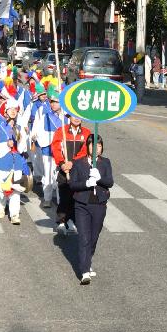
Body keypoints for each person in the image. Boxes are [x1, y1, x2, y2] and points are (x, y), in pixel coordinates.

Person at [69, 134, 113, 285]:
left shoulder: (105, 162)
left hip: (99, 205)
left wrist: (99, 178)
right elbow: (73, 185)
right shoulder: (78, 163)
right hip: (82, 205)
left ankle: (88, 260)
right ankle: (84, 271)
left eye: (99, 146)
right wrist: (86, 183)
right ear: (87, 146)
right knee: (84, 238)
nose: (96, 148)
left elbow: (110, 182)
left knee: (94, 237)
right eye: (93, 145)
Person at [0, 97, 29, 224]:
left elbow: (23, 148)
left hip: (17, 161)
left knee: (16, 189)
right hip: (3, 160)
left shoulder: (19, 128)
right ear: (5, 112)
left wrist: (20, 140)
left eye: (15, 109)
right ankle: (0, 208)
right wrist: (6, 144)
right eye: (10, 109)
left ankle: (14, 214)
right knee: (1, 189)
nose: (13, 111)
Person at [51, 115, 90, 235]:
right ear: (69, 117)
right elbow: (55, 148)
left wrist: (72, 163)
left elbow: (85, 150)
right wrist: (62, 163)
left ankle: (72, 219)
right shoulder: (61, 131)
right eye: (74, 116)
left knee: (76, 196)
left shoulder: (86, 132)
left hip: (78, 169)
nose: (77, 118)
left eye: (79, 116)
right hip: (64, 170)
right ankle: (62, 221)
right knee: (64, 196)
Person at [31, 86, 68, 209]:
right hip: (48, 150)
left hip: (62, 151)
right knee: (47, 173)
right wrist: (49, 139)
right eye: (51, 102)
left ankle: (59, 199)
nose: (53, 104)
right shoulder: (46, 116)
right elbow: (40, 132)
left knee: (59, 176)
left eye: (56, 102)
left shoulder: (67, 117)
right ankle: (47, 198)